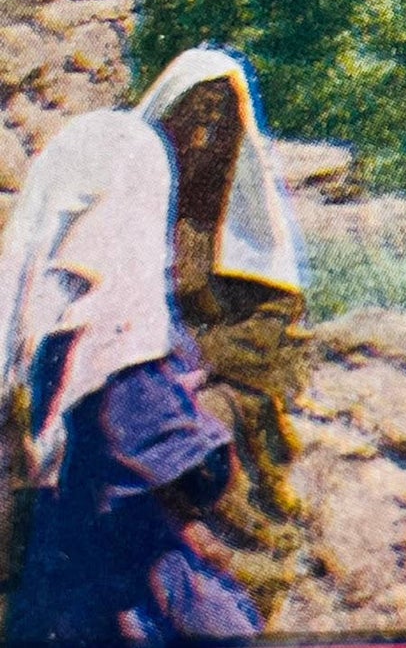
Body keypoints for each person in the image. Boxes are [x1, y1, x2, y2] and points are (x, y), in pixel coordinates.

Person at [0, 110, 262, 645]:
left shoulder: (82, 320)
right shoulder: (122, 328)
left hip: (115, 478)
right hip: (128, 483)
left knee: (114, 569)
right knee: (127, 575)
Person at [134, 48, 311, 626]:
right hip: (143, 365)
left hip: (223, 374)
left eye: (219, 116)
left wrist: (203, 359)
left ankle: (239, 567)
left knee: (202, 425)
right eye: (195, 115)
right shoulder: (141, 200)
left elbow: (268, 325)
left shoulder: (241, 213)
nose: (206, 133)